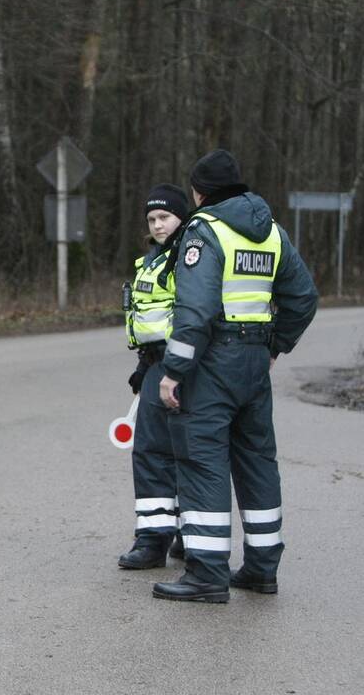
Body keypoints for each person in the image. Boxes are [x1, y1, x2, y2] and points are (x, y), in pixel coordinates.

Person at [153, 149, 318, 603]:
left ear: (199, 192)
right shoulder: (272, 234)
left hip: (213, 362)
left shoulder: (204, 233)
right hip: (253, 360)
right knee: (257, 461)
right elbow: (303, 297)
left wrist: (173, 371)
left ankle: (206, 574)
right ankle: (262, 569)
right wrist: (275, 346)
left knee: (202, 460)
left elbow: (196, 311)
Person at [118, 184, 188, 569]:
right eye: (152, 219)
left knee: (188, 453)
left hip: (187, 365)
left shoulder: (190, 257)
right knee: (149, 451)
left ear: (182, 216)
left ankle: (187, 535)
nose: (159, 225)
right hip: (157, 362)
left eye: (165, 217)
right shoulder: (152, 260)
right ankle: (154, 539)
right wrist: (145, 366)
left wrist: (177, 366)